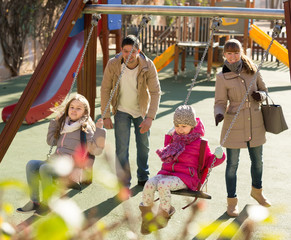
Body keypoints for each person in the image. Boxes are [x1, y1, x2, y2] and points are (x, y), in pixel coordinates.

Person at [139, 105, 225, 234]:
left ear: (192, 125)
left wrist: (219, 157)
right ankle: (147, 217)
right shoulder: (175, 138)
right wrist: (169, 137)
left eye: (184, 126)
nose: (180, 129)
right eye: (177, 126)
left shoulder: (199, 143)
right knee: (149, 183)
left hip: (186, 177)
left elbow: (208, 161)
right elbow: (167, 152)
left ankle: (163, 215)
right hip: (167, 173)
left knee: (163, 184)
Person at [17, 94, 106, 215]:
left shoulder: (85, 128)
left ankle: (47, 204)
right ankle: (35, 201)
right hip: (56, 161)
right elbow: (51, 141)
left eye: (78, 108)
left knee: (45, 168)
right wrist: (55, 122)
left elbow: (96, 151)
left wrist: (99, 131)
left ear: (85, 112)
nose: (74, 110)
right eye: (72, 107)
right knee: (31, 164)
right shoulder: (63, 124)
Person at [214, 39, 271, 217]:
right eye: (229, 54)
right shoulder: (222, 77)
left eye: (236, 53)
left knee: (258, 161)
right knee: (232, 164)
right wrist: (219, 113)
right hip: (234, 121)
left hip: (255, 121)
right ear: (224, 55)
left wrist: (260, 95)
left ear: (241, 52)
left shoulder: (253, 70)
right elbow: (220, 102)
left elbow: (264, 90)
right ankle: (232, 202)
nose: (232, 57)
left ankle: (257, 192)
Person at [101, 35, 161, 188]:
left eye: (133, 51)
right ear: (121, 50)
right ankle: (123, 181)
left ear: (139, 51)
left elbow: (155, 92)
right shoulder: (113, 64)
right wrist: (106, 115)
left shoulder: (147, 65)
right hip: (121, 110)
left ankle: (143, 176)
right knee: (122, 147)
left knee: (143, 146)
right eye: (126, 51)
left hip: (141, 111)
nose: (129, 55)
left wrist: (150, 117)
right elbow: (105, 90)